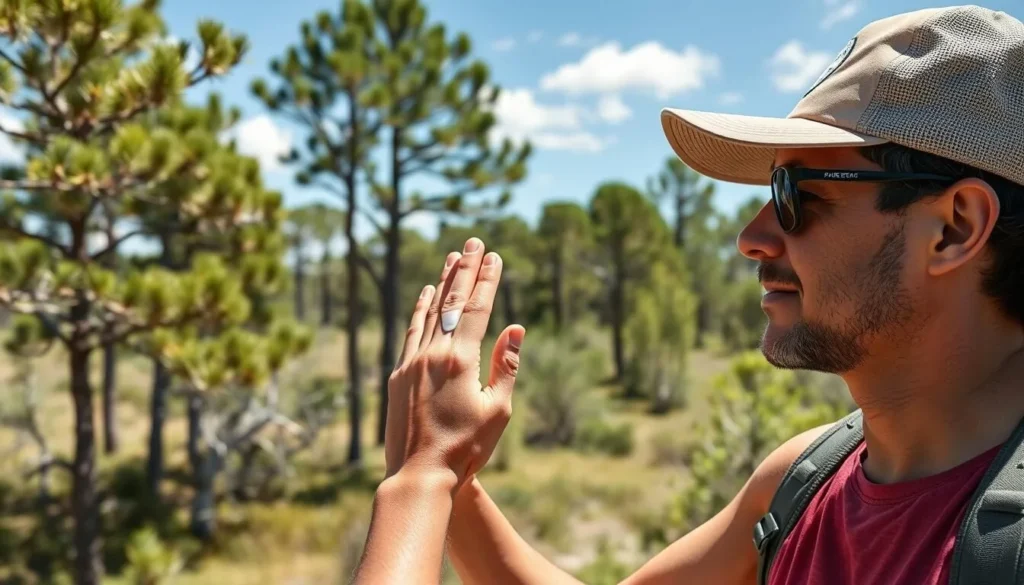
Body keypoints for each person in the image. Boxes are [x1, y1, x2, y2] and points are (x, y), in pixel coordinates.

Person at [350, 4, 1024, 584]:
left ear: (954, 227)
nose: (751, 236)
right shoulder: (803, 480)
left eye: (796, 195)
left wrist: (423, 482)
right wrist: (446, 471)